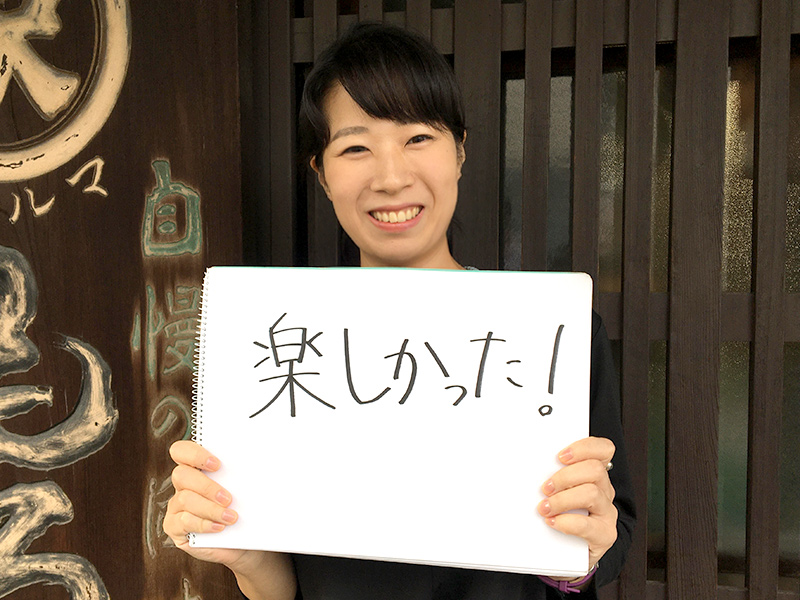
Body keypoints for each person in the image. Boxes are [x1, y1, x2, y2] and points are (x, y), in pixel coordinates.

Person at [164, 22, 635, 600]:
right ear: (322, 173)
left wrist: (581, 552)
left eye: (418, 138)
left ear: (459, 151)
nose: (391, 177)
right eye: (355, 147)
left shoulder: (551, 331)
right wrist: (244, 555)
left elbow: (611, 539)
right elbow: (289, 587)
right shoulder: (275, 340)